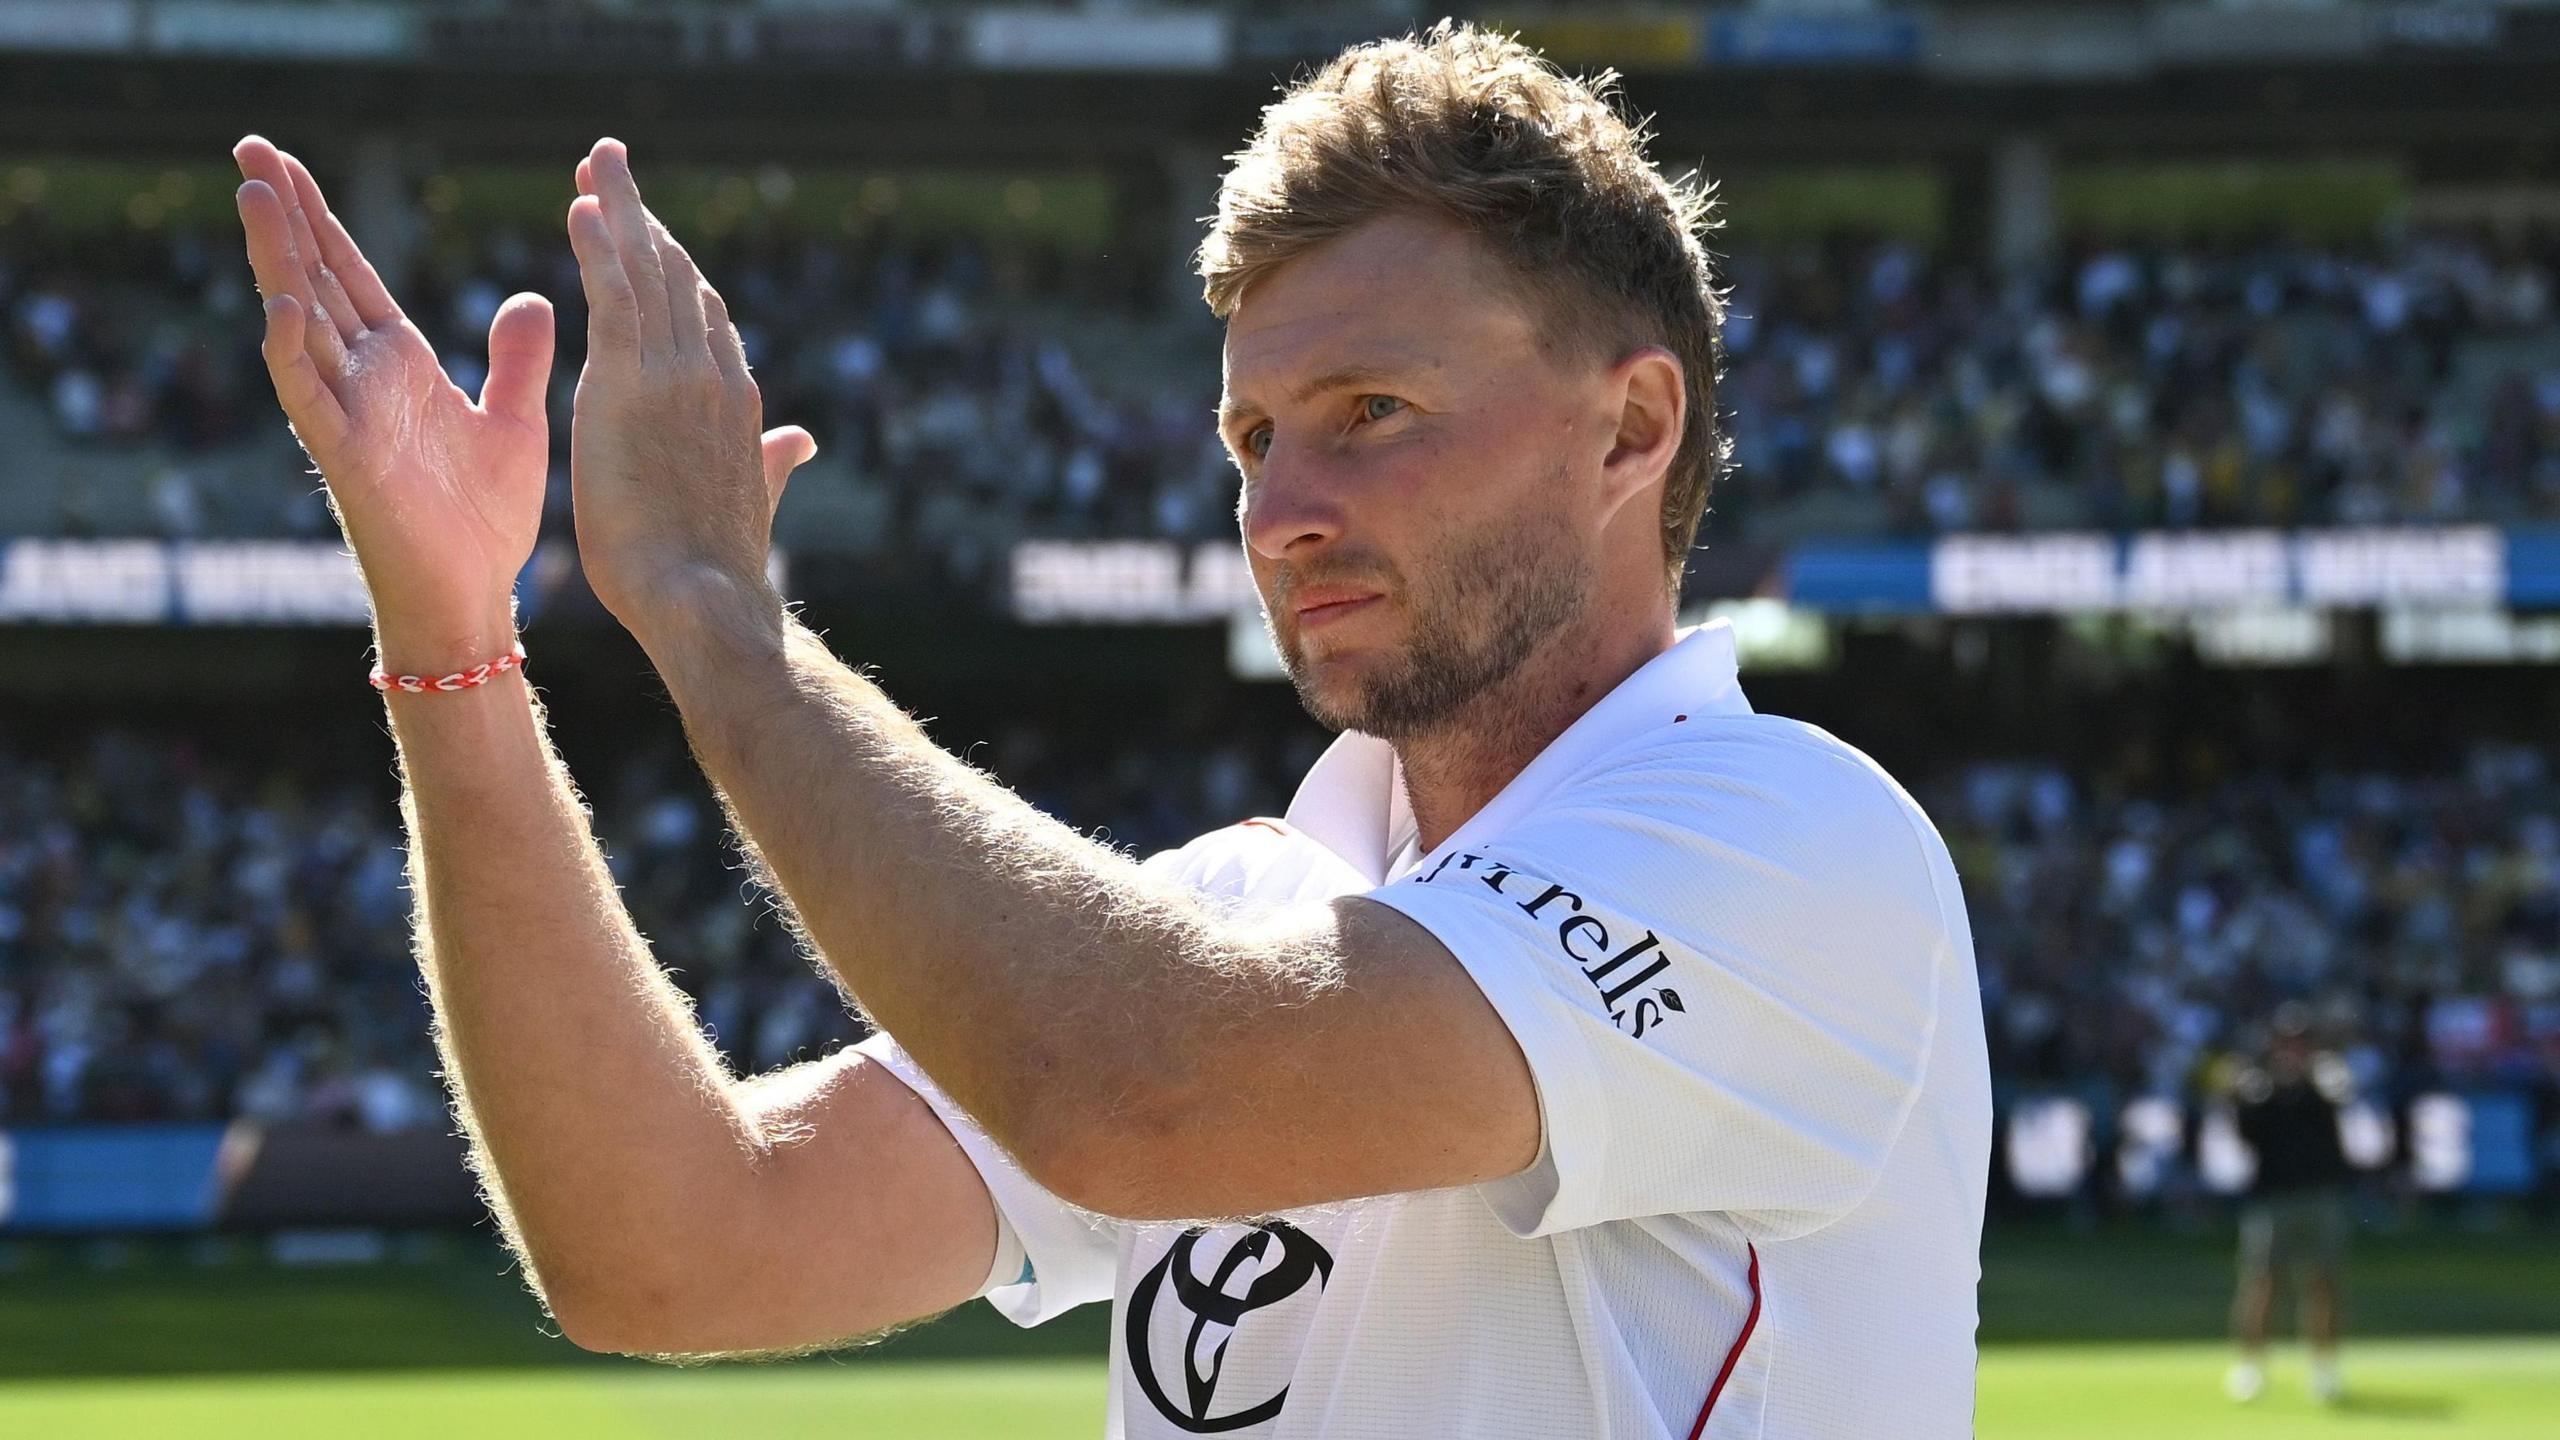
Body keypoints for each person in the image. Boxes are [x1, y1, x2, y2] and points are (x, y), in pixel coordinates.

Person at [232, 22, 1988, 1438]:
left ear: (1631, 431)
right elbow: (674, 1247)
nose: (1281, 512)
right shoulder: (1245, 912)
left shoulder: (1795, 844)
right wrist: (455, 643)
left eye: (1373, 410)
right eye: (1253, 441)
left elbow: (1141, 1090)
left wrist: (716, 617)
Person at [2225, 1003, 2356, 1406]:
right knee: (2262, 1281)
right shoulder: (2260, 1085)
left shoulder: (2326, 1081)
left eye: (2299, 1042)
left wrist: (2317, 1083)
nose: (2292, 1049)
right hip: (2272, 1198)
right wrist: (2242, 1095)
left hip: (2319, 1193)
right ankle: (2251, 1365)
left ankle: (2324, 1367)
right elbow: (2247, 1135)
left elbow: (2339, 1113)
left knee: (2323, 1281)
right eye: (2285, 1041)